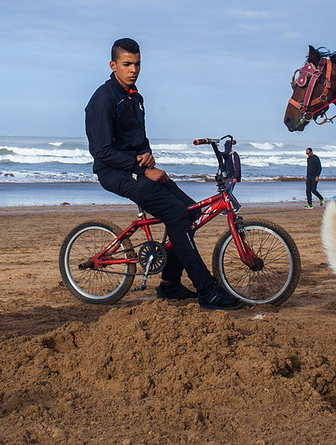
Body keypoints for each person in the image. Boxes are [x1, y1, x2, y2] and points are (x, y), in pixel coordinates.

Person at [85, 38, 241, 310]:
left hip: (137, 168)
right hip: (114, 173)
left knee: (191, 211)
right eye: (127, 64)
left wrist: (148, 157)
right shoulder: (102, 99)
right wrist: (140, 168)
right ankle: (207, 290)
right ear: (113, 65)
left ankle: (169, 284)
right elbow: (101, 153)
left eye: (137, 64)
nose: (133, 69)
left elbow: (140, 140)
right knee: (176, 214)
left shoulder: (136, 97)